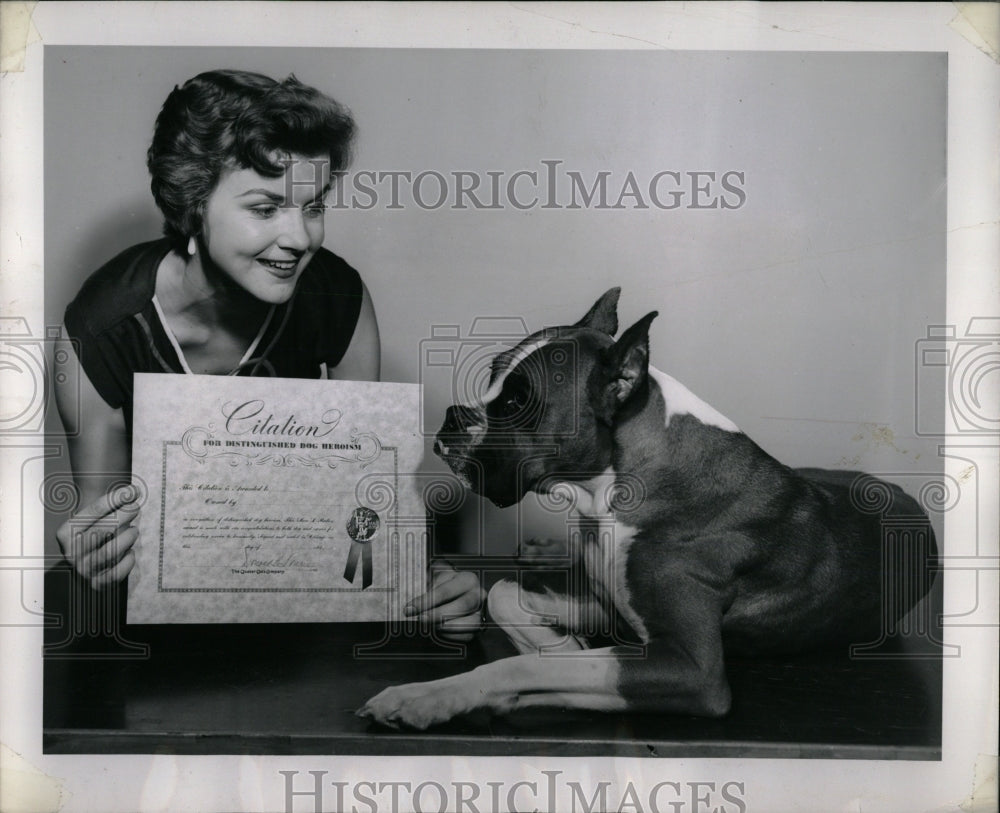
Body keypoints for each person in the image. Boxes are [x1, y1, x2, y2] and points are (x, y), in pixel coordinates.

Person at [53, 69, 482, 642]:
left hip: (297, 616)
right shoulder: (98, 332)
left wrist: (428, 584)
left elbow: (361, 508)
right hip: (153, 627)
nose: (301, 238)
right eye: (265, 208)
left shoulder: (339, 299)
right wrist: (93, 549)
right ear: (193, 203)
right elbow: (101, 530)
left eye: (313, 206)